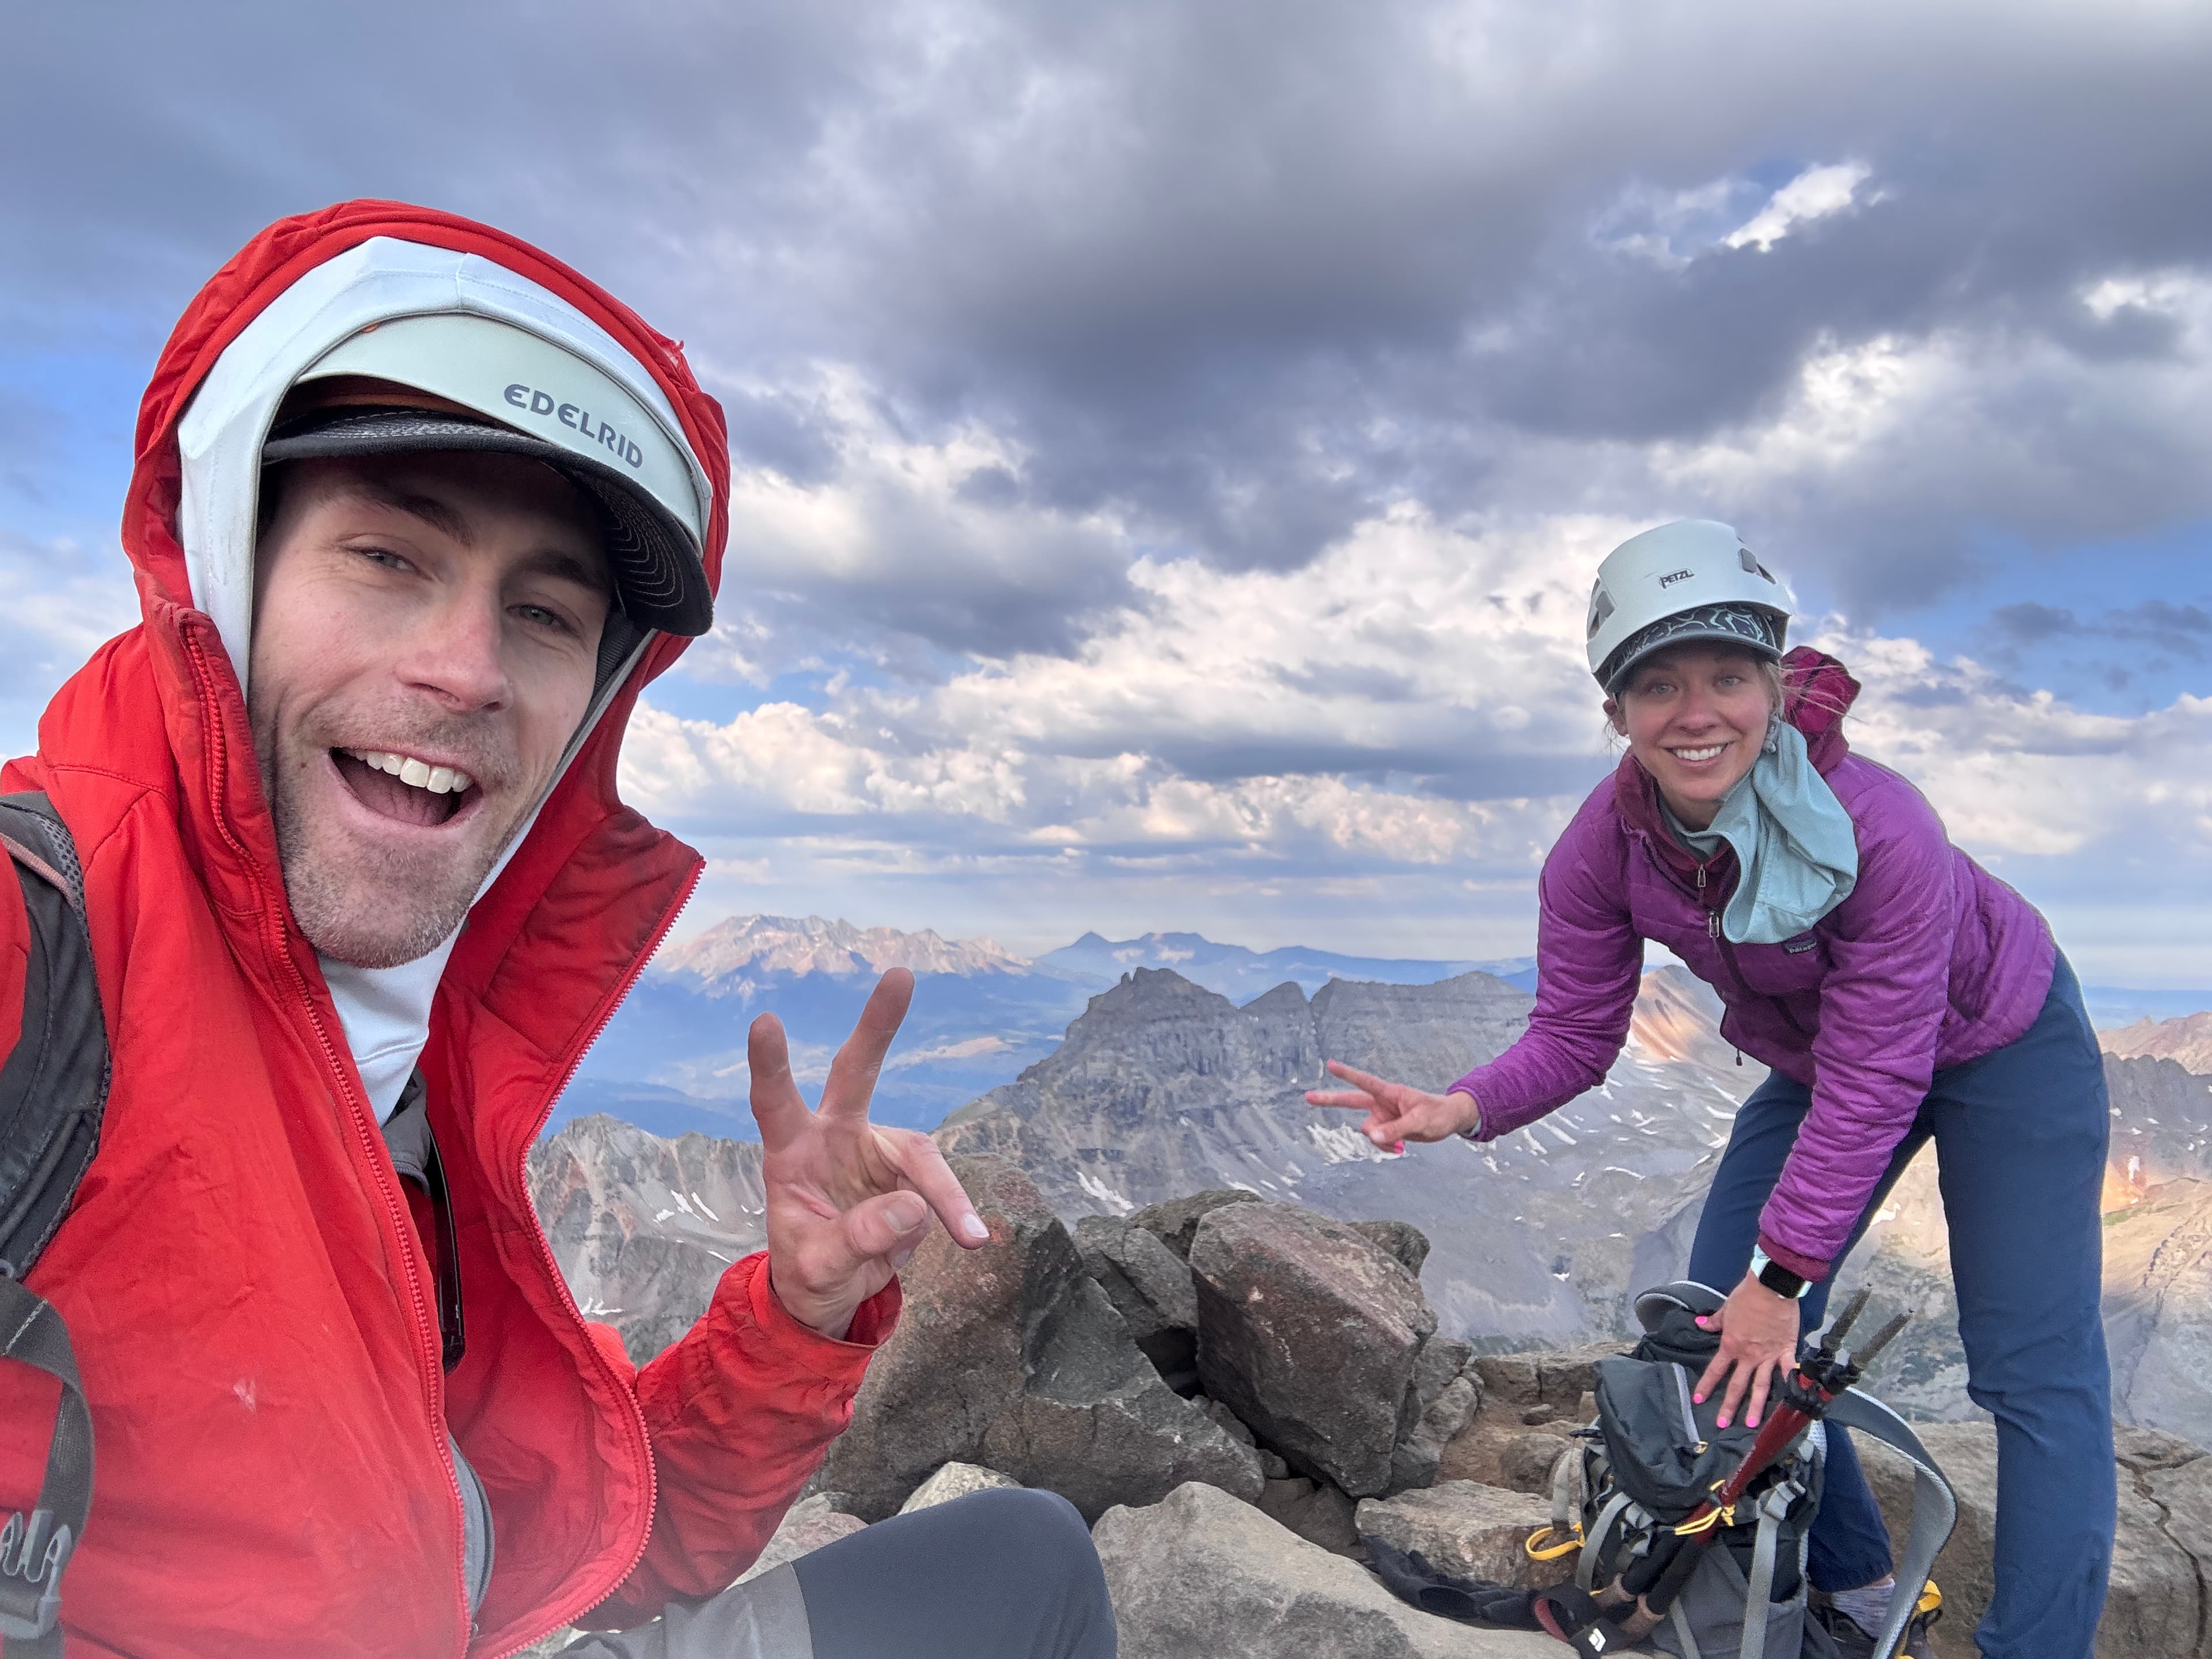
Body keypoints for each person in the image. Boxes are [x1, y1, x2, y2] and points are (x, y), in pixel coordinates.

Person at [0, 202, 1115, 1658]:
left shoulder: (403, 1087)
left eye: (541, 612)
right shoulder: (48, 944)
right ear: (232, 573)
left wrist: (792, 1313)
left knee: (1023, 1563)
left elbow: (550, 1550)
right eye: (391, 558)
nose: (467, 668)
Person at [1307, 520, 2112, 1659]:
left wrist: (1784, 1278)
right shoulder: (1600, 851)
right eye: (1658, 684)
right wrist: (1463, 1106)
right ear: (1615, 710)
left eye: (1728, 677)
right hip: (1822, 1060)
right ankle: (1855, 1591)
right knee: (1714, 1324)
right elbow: (1578, 1034)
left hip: (2005, 1042)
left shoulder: (1883, 828)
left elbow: (1884, 1067)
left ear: (1774, 686)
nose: (1698, 712)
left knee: (2034, 1368)